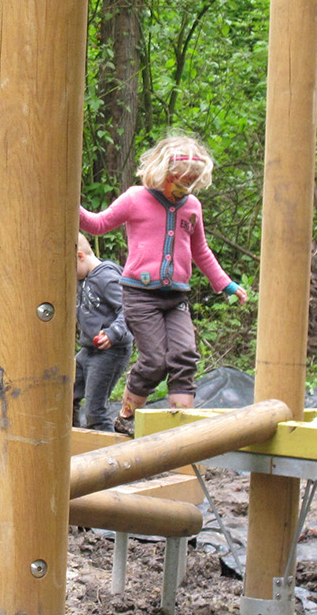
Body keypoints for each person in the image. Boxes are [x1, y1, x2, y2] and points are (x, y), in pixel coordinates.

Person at [79, 134, 250, 436]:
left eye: (192, 183)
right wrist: (71, 205)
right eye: (180, 181)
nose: (185, 189)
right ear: (161, 174)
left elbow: (201, 251)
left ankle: (181, 427)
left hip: (176, 298)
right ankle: (126, 415)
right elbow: (99, 224)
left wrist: (226, 284)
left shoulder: (192, 207)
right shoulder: (135, 198)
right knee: (156, 360)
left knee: (185, 356)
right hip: (140, 296)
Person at [74, 232, 133, 430]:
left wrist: (113, 333)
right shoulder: (84, 278)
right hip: (87, 351)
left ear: (80, 256)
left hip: (110, 353)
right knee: (65, 395)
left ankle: (108, 457)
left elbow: (130, 308)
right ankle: (70, 445)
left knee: (95, 412)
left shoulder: (107, 277)